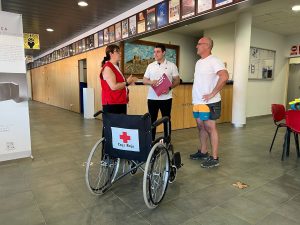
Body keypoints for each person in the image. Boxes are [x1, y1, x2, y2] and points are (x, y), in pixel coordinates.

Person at [190, 37, 229, 168]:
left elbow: (224, 76)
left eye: (199, 44)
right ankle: (203, 151)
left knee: (210, 128)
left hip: (210, 102)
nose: (196, 46)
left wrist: (213, 93)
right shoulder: (199, 62)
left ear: (207, 46)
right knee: (201, 127)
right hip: (198, 102)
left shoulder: (214, 61)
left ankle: (215, 157)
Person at [143, 43, 180, 141]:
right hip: (152, 98)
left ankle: (167, 141)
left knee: (166, 120)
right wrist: (151, 82)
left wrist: (169, 88)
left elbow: (177, 80)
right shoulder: (150, 66)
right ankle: (151, 141)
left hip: (166, 98)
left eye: (158, 52)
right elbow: (144, 80)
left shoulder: (172, 66)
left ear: (164, 53)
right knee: (152, 120)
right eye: (154, 52)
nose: (155, 54)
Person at [100, 44, 137, 114]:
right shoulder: (108, 68)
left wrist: (128, 83)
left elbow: (120, 84)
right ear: (111, 54)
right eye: (117, 52)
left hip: (120, 102)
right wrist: (126, 82)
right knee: (114, 125)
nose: (120, 53)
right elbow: (114, 86)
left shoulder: (115, 67)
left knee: (121, 124)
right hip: (112, 104)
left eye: (119, 51)